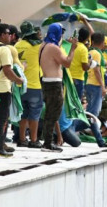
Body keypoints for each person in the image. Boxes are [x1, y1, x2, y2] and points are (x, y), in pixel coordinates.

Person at [0, 23, 24, 157]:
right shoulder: (5, 50)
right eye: (9, 33)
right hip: (2, 88)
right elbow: (7, 70)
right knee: (1, 119)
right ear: (2, 35)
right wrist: (19, 80)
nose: (11, 36)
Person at [38, 24, 77, 152]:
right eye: (61, 33)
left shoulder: (43, 46)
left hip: (46, 81)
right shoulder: (53, 48)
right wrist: (73, 49)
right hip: (54, 83)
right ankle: (48, 143)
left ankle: (47, 142)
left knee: (50, 113)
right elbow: (67, 63)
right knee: (53, 114)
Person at [14, 21, 43, 148]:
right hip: (34, 85)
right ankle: (34, 139)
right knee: (35, 113)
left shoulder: (17, 45)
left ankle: (21, 139)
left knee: (23, 113)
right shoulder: (37, 47)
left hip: (19, 85)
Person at [85, 32, 107, 119]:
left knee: (89, 109)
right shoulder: (97, 54)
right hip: (96, 84)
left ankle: (86, 128)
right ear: (102, 43)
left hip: (88, 83)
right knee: (95, 111)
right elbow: (96, 71)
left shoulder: (89, 51)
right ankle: (91, 129)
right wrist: (102, 87)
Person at [67, 25, 92, 99]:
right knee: (77, 102)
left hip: (68, 77)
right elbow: (85, 67)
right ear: (87, 38)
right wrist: (90, 62)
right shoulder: (83, 49)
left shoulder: (72, 45)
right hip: (78, 79)